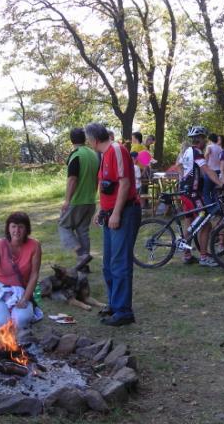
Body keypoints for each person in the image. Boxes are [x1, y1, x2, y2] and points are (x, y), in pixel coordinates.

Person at [85, 123, 141, 326]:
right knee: (108, 264)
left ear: (94, 140)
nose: (89, 143)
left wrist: (116, 213)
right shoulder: (104, 155)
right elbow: (108, 187)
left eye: (88, 140)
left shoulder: (116, 150)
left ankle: (124, 311)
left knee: (119, 263)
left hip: (124, 213)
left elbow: (125, 183)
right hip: (110, 214)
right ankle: (114, 304)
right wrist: (102, 210)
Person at [180, 125, 222, 267]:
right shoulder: (196, 152)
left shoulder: (187, 151)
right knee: (205, 223)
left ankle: (187, 255)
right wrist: (220, 182)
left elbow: (183, 167)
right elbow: (207, 170)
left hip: (186, 191)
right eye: (204, 139)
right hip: (192, 193)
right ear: (200, 139)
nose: (206, 142)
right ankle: (203, 257)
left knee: (189, 221)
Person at [58, 128, 99, 273]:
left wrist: (67, 200)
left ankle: (81, 254)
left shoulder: (76, 155)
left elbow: (72, 179)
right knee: (83, 231)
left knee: (63, 226)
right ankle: (84, 267)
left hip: (77, 201)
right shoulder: (93, 155)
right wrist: (93, 194)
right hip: (90, 200)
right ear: (85, 139)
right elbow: (97, 178)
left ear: (71, 140)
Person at [203, 133, 222, 212]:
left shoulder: (209, 147)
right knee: (215, 192)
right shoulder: (220, 148)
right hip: (219, 171)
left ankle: (210, 210)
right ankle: (218, 208)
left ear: (210, 139)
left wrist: (205, 164)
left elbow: (206, 155)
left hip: (211, 171)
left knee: (206, 192)